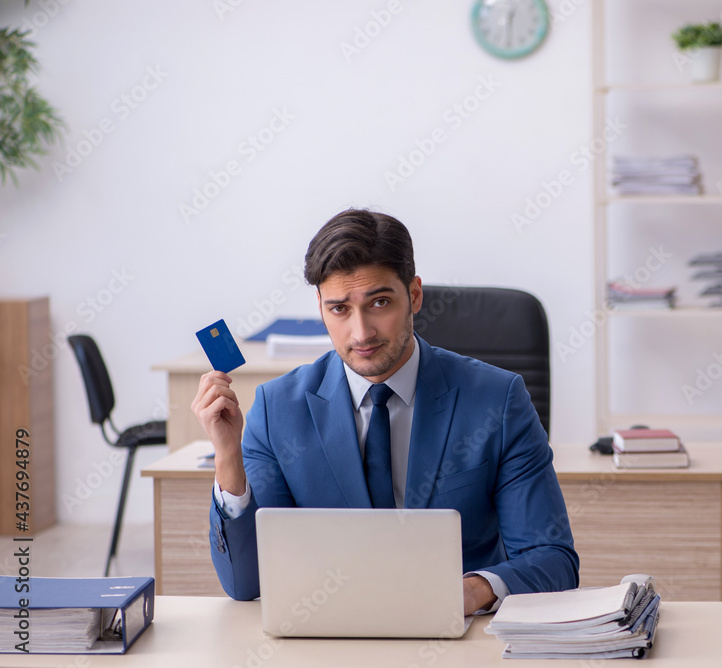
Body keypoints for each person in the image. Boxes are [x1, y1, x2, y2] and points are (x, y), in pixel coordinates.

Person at [192, 209, 579, 615]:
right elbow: (244, 584)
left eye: (378, 302)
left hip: (458, 635)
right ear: (320, 306)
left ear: (413, 295)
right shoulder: (278, 409)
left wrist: (472, 591)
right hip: (330, 630)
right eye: (340, 308)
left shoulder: (498, 401)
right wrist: (228, 456)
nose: (361, 334)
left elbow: (552, 560)